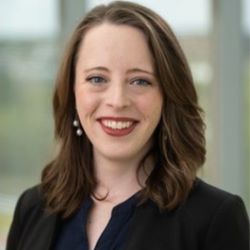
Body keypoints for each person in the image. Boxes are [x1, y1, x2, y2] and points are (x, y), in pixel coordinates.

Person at [6, 1, 249, 250]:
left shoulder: (214, 219)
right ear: (72, 92)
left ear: (167, 95)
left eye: (140, 81)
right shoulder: (33, 207)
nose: (118, 101)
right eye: (97, 78)